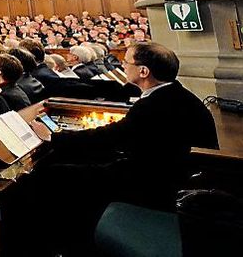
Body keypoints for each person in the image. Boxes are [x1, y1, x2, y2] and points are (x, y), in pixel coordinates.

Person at [50, 42, 218, 210]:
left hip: (157, 183)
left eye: (127, 62)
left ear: (143, 71)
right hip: (166, 170)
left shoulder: (155, 104)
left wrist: (54, 136)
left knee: (54, 173)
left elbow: (110, 137)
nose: (122, 65)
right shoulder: (173, 94)